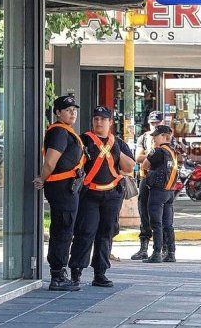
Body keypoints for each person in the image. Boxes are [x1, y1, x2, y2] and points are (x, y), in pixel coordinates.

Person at [68, 106, 135, 288]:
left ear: (110, 122)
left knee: (106, 234)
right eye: (96, 118)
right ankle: (76, 271)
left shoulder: (118, 142)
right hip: (89, 194)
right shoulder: (83, 140)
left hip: (112, 194)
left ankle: (100, 273)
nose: (99, 122)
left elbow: (129, 167)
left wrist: (112, 147)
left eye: (103, 119)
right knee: (85, 232)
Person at [33, 95, 84, 292]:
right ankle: (57, 275)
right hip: (62, 188)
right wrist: (42, 178)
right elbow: (50, 162)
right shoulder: (59, 132)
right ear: (57, 113)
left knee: (65, 229)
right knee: (62, 230)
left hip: (67, 187)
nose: (73, 113)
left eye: (74, 110)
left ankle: (59, 272)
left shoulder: (66, 131)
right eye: (68, 110)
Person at [141, 125, 178, 263]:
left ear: (163, 136)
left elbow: (145, 164)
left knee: (156, 223)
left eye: (155, 136)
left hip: (157, 191)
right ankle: (170, 252)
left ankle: (157, 253)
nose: (153, 139)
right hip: (169, 192)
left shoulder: (158, 151)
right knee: (168, 223)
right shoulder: (172, 152)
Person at [131, 111, 164, 260]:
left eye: (157, 123)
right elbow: (138, 157)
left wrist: (151, 156)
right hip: (146, 178)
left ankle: (162, 249)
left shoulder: (167, 138)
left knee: (161, 216)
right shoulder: (143, 138)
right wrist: (155, 155)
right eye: (152, 123)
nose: (155, 126)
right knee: (144, 212)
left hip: (162, 181)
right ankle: (143, 247)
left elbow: (170, 157)